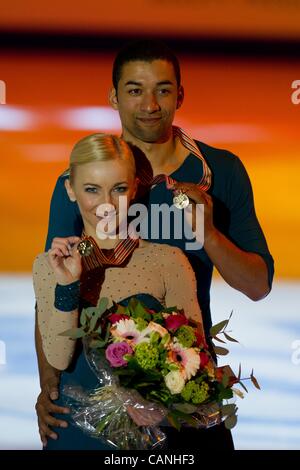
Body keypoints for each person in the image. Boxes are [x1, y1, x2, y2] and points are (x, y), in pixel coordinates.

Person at [35, 39, 274, 450]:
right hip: (91, 395)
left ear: (179, 94)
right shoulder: (82, 182)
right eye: (134, 90)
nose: (149, 104)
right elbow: (51, 294)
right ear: (113, 96)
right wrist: (49, 389)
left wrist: (209, 235)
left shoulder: (219, 171)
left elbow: (257, 285)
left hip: (184, 387)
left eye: (163, 89)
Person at [33, 133, 207, 449]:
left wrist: (156, 397)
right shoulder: (50, 266)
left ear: (135, 188)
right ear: (70, 190)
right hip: (72, 433)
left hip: (152, 436)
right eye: (91, 190)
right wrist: (68, 285)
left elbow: (197, 361)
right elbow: (58, 360)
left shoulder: (168, 261)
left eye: (119, 189)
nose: (107, 205)